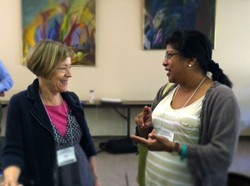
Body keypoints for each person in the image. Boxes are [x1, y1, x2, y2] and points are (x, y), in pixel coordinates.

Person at [131, 30, 240, 186]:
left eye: (169, 55)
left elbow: (222, 155)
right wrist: (144, 127)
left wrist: (175, 148)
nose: (164, 62)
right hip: (152, 180)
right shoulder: (166, 90)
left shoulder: (221, 97)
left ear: (190, 60)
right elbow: (152, 137)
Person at [1, 40, 101, 186]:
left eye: (70, 67)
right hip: (45, 179)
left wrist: (95, 178)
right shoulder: (20, 103)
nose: (69, 74)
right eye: (63, 68)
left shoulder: (72, 99)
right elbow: (13, 149)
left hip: (80, 176)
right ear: (44, 70)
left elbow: (87, 144)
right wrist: (10, 179)